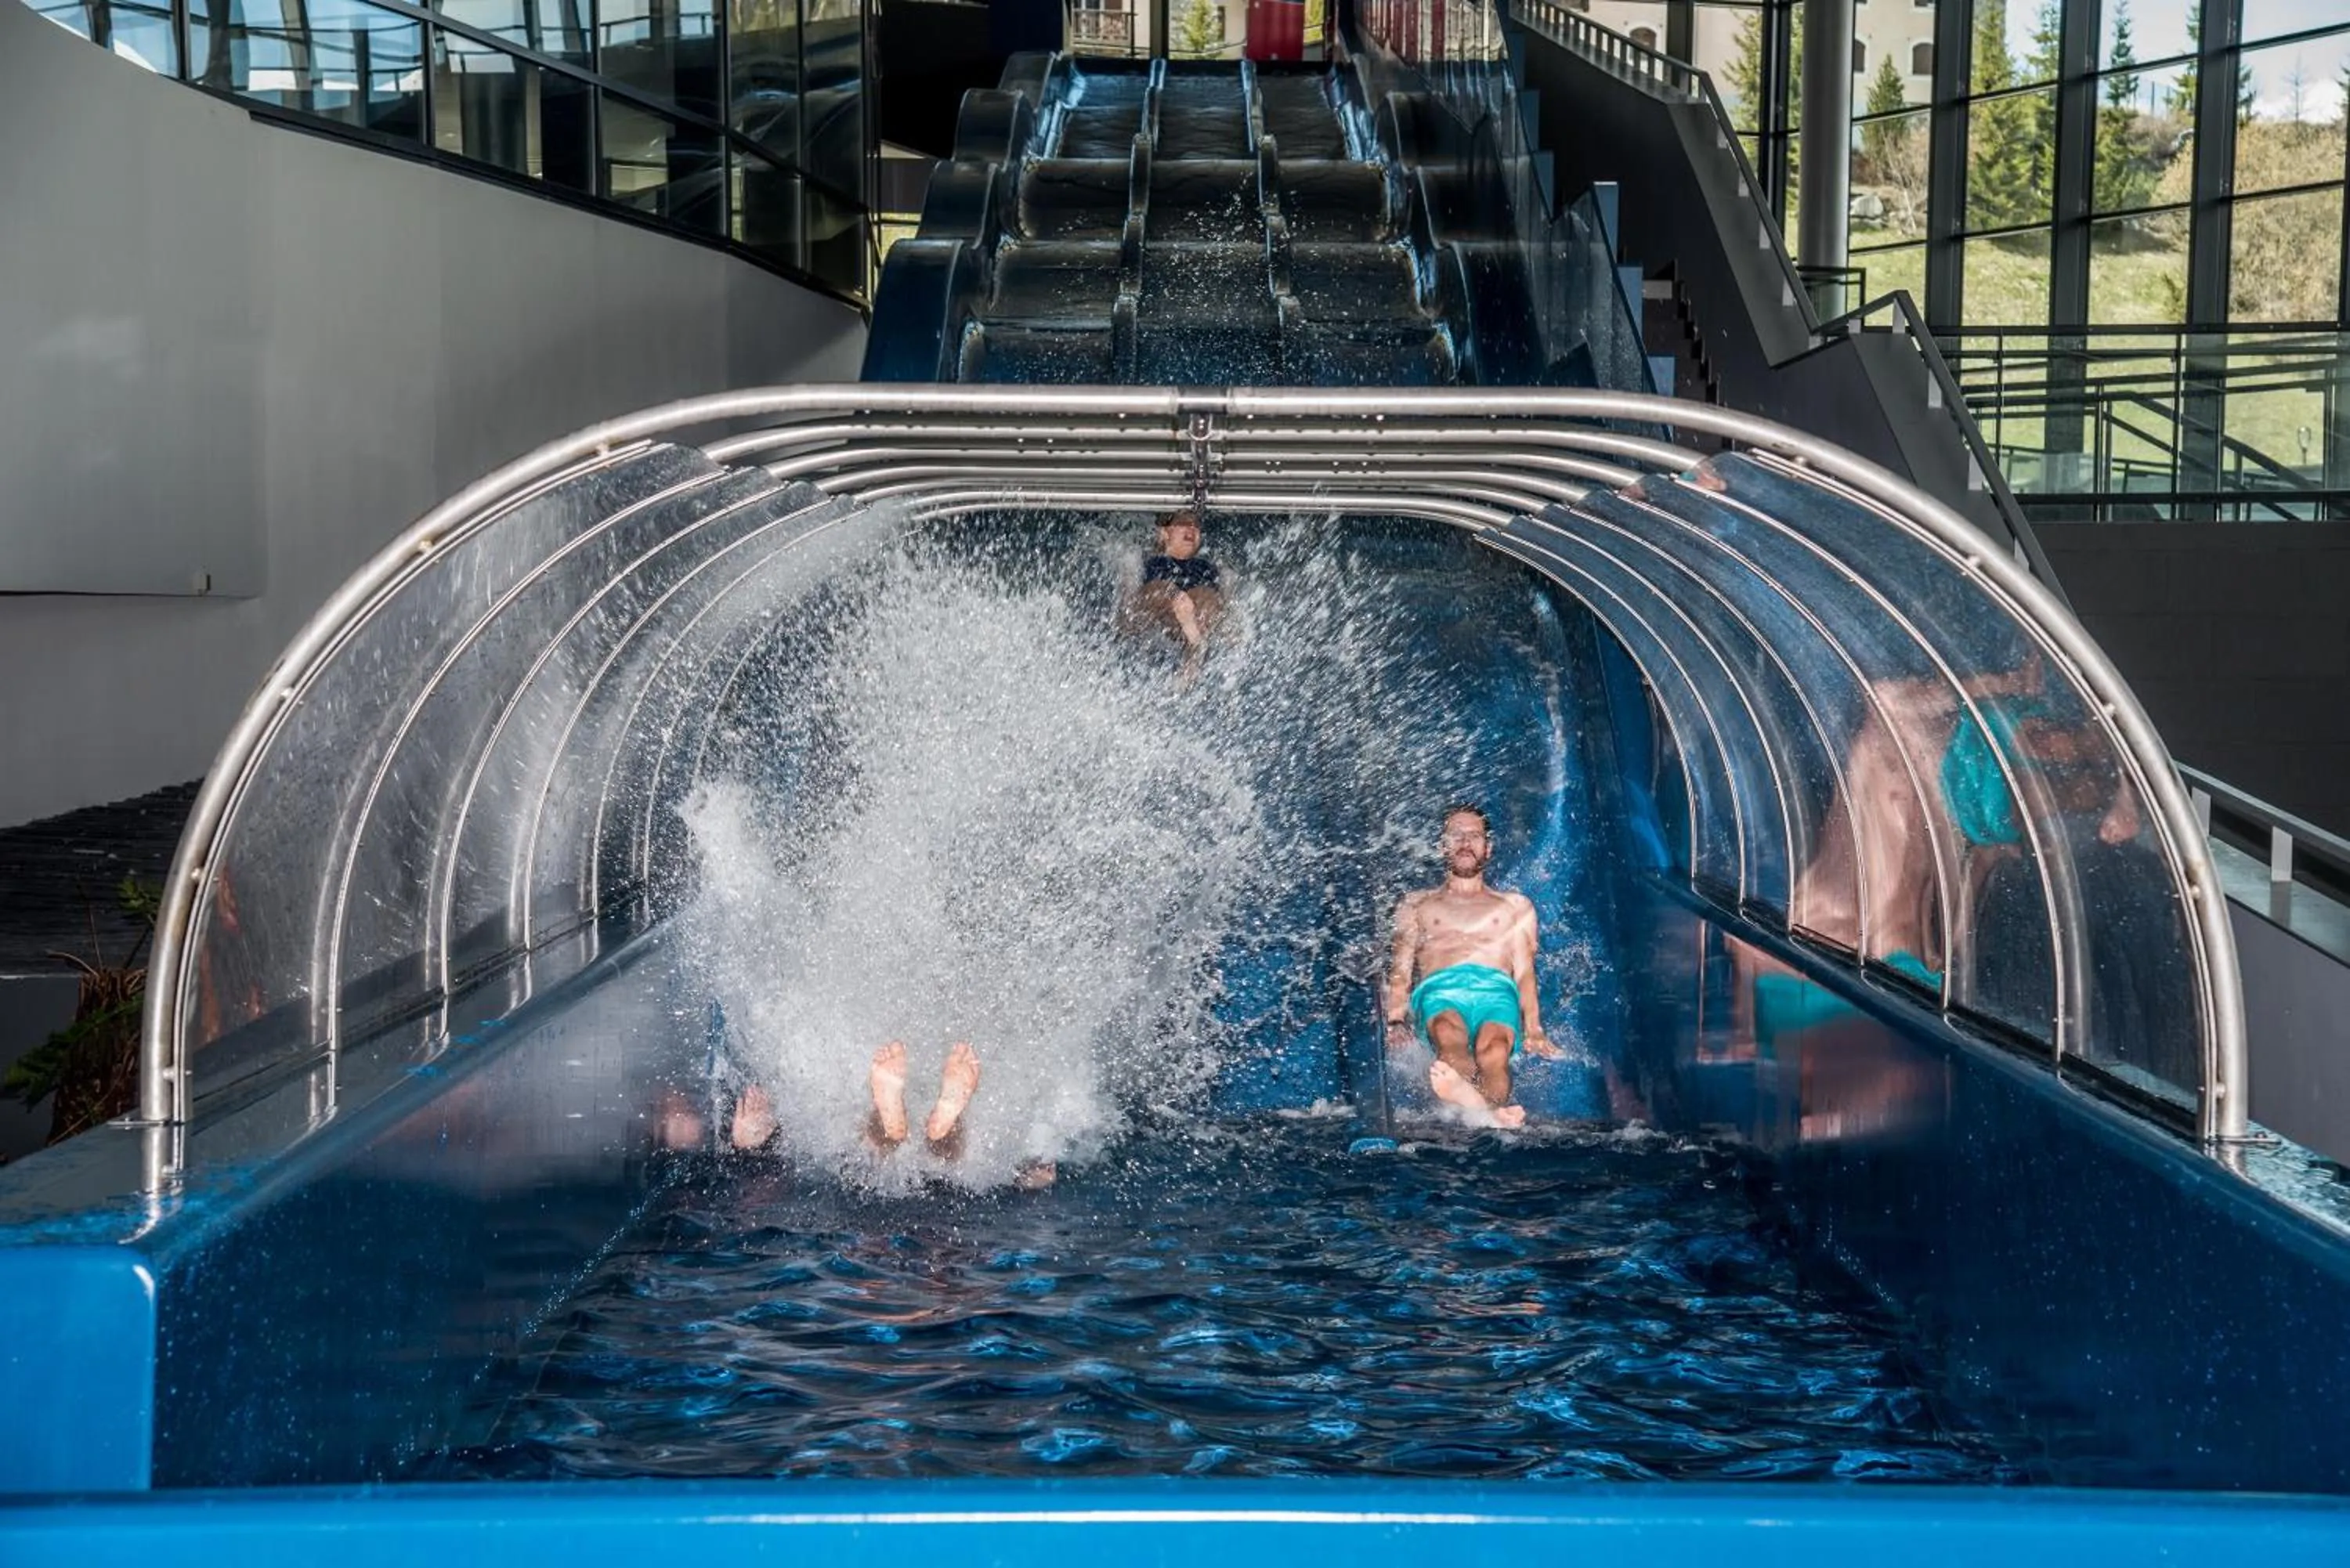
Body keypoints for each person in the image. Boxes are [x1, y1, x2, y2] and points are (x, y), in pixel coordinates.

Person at [1383, 804, 1563, 1128]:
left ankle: (1484, 1109)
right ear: (1443, 846)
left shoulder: (1515, 906)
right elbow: (1401, 967)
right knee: (1448, 1034)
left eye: (1474, 836)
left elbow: (1524, 972)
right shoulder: (1416, 904)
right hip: (1441, 989)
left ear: (1488, 848)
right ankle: (1488, 1111)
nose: (1465, 843)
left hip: (1496, 991)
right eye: (1456, 835)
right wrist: (1396, 1019)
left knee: (1494, 1049)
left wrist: (1534, 1029)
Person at [722, 1042, 1057, 1187]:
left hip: (868, 1212)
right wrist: (1030, 1180)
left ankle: (888, 1125)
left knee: (862, 1163)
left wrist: (748, 1149)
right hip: (953, 1225)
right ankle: (945, 1124)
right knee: (955, 1168)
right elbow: (997, 1178)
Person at [1123, 510, 1223, 669]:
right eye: (1183, 523)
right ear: (1165, 533)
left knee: (1206, 597)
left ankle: (1194, 640)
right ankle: (1193, 638)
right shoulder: (1149, 560)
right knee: (1164, 590)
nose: (1192, 529)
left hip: (1195, 613)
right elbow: (1130, 599)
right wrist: (1177, 598)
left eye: (1196, 525)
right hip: (1164, 606)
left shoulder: (1208, 566)